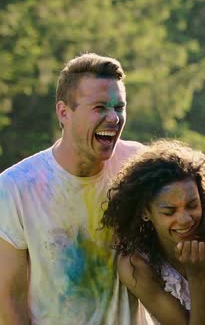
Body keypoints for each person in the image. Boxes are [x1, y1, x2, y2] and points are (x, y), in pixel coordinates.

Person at [0, 53, 145, 323]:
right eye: (100, 107)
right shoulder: (16, 187)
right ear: (64, 112)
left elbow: (190, 222)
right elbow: (10, 301)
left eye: (119, 107)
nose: (114, 118)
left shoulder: (138, 167)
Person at [101, 139, 205, 325]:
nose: (185, 219)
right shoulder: (137, 266)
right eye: (169, 211)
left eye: (192, 205)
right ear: (145, 213)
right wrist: (198, 277)